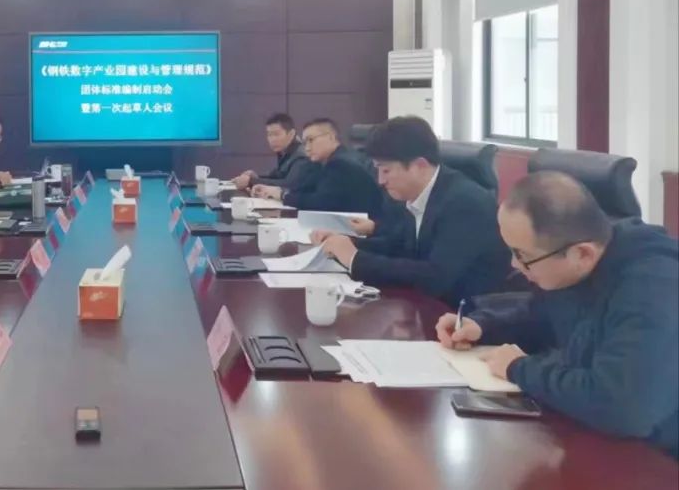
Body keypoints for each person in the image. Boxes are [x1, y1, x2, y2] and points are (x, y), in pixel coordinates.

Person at [436, 171, 678, 459]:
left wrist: (518, 368)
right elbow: (541, 314)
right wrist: (482, 326)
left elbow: (624, 407)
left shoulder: (653, 287)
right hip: (603, 440)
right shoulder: (581, 260)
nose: (514, 265)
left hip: (658, 459)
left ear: (582, 254)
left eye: (523, 256)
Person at [311, 116, 511, 307]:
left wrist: (355, 258)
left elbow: (435, 276)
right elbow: (398, 246)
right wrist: (346, 243)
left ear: (419, 166)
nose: (380, 180)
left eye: (386, 170)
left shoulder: (465, 203)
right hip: (428, 307)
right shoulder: (413, 194)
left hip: (466, 315)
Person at [252, 118, 382, 216]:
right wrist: (275, 191)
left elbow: (319, 203)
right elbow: (301, 187)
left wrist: (282, 195)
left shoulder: (342, 163)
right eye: (304, 142)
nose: (307, 147)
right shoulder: (322, 163)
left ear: (331, 137)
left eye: (311, 140)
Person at [230, 113, 309, 191]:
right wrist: (255, 177)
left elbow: (288, 184)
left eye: (276, 134)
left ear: (291, 134)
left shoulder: (301, 156)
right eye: (269, 135)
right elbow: (277, 177)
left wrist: (251, 182)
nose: (272, 140)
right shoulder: (284, 152)